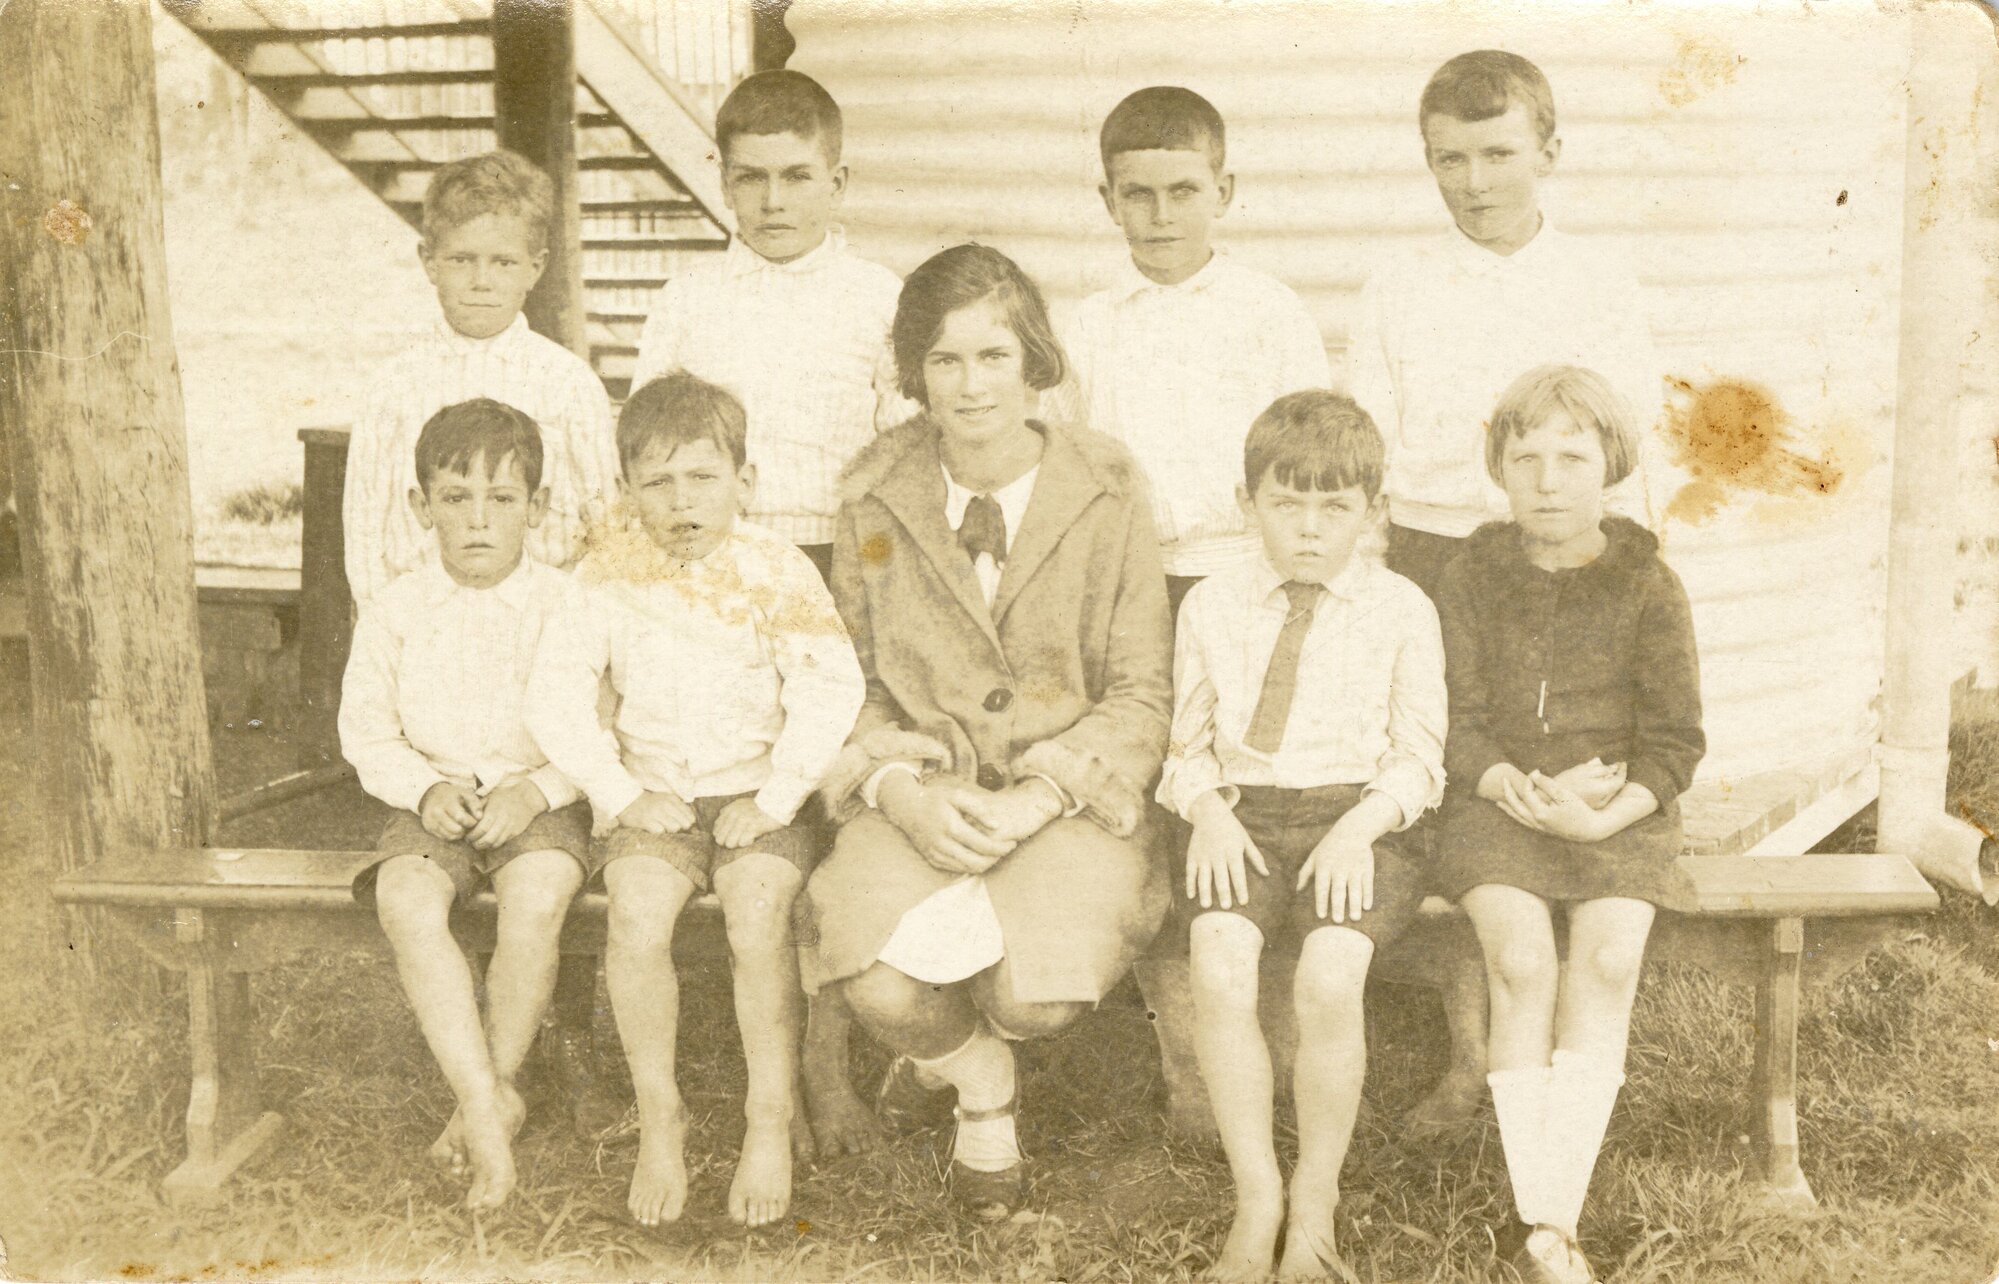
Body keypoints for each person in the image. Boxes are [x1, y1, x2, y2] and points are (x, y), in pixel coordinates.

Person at [800, 244, 1173, 1220]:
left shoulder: (1109, 487)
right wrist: (895, 792)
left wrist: (1045, 793)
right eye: (945, 361)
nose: (971, 388)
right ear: (912, 373)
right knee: (869, 975)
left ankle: (978, 1042)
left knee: (1031, 996)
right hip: (927, 789)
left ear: (1035, 361)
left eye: (994, 357)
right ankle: (976, 1084)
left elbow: (1139, 692)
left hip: (1067, 798)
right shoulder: (873, 498)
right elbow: (848, 681)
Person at [526, 373, 865, 1229]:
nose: (681, 501)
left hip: (759, 796)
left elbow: (830, 687)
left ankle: (767, 1117)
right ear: (626, 491)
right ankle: (660, 1117)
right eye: (657, 481)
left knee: (758, 912)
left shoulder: (776, 569)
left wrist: (781, 795)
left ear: (744, 484)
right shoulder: (604, 576)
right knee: (636, 917)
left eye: (702, 478)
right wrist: (620, 791)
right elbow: (556, 699)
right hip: (658, 801)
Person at [1160, 390, 1445, 1281]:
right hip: (1240, 816)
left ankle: (1314, 1196)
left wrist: (1361, 829)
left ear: (1373, 511)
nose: (1310, 530)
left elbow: (1419, 757)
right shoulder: (1210, 604)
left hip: (1358, 818)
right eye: (1287, 504)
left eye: (1336, 507)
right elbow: (1185, 747)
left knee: (1327, 976)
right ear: (1248, 504)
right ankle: (1257, 1198)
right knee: (1217, 959)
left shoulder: (1403, 609)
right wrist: (1206, 809)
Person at [1431, 364, 1704, 1284]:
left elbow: (1673, 743)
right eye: (1526, 458)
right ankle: (1543, 1222)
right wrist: (1508, 781)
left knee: (1607, 960)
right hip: (1496, 805)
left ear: (1610, 468)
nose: (1547, 480)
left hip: (1615, 812)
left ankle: (1553, 1219)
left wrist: (1603, 818)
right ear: (1499, 471)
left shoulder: (1647, 584)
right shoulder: (1469, 574)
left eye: (1571, 458)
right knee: (1519, 962)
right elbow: (1456, 721)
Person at [338, 398, 589, 1212]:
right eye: (455, 498)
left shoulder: (567, 604)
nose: (479, 520)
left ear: (538, 508)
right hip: (432, 798)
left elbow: (601, 731)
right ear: (421, 507)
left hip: (536, 795)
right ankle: (487, 1107)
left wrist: (538, 789)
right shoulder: (397, 609)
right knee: (406, 898)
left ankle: (493, 1087)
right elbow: (367, 734)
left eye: (504, 499)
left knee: (539, 894)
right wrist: (424, 788)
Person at [1346, 50, 1662, 602]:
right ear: (1429, 160)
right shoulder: (1394, 288)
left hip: (1564, 560)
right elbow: (1366, 465)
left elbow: (1630, 454)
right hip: (1429, 559)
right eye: (1451, 159)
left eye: (1499, 155)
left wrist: (1625, 579)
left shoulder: (1601, 285)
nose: (1475, 183)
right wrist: (1367, 588)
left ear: (1547, 155)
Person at [1052, 85, 1330, 612]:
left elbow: (1315, 458)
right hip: (1126, 579)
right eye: (1137, 194)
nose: (1161, 215)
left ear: (1222, 192)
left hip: (1250, 574)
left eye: (1183, 192)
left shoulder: (1270, 311)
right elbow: (1064, 461)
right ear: (1109, 201)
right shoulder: (1087, 325)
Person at [629, 68, 914, 579]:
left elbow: (907, 446)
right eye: (751, 177)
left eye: (797, 176)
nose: (774, 201)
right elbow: (645, 445)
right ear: (725, 184)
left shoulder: (879, 297)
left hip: (844, 557)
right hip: (714, 558)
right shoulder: (687, 298)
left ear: (837, 183)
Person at [341, 150, 617, 608]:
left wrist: (572, 628)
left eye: (503, 263)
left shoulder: (568, 384)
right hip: (423, 621)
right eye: (462, 260)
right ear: (429, 261)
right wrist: (387, 626)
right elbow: (365, 531)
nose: (481, 281)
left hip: (542, 622)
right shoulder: (394, 386)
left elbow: (605, 527)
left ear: (536, 266)